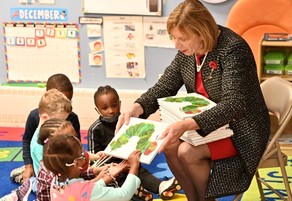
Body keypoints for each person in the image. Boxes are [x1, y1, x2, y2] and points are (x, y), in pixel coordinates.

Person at [115, 0, 270, 200]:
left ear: (202, 32)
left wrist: (187, 124)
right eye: (174, 37)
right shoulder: (188, 52)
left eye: (183, 38)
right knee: (169, 143)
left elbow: (234, 104)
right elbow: (165, 85)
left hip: (242, 128)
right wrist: (138, 107)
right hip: (207, 125)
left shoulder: (233, 49)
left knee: (188, 152)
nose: (177, 44)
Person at [88, 85, 181, 201]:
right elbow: (94, 159)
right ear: (97, 110)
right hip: (110, 168)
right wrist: (110, 164)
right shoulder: (95, 129)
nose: (111, 110)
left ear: (120, 104)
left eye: (114, 105)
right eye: (105, 108)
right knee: (117, 180)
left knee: (140, 171)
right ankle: (136, 192)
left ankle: (160, 187)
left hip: (130, 161)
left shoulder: (128, 121)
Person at [10, 73, 81, 185]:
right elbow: (27, 141)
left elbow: (76, 145)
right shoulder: (34, 117)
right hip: (44, 165)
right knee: (30, 179)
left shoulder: (72, 117)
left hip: (62, 162)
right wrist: (29, 166)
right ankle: (23, 172)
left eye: (69, 100)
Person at [43, 133, 141, 201]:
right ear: (76, 163)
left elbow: (86, 193)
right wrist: (134, 167)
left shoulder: (55, 182)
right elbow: (124, 195)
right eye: (82, 152)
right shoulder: (85, 189)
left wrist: (108, 177)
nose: (86, 154)